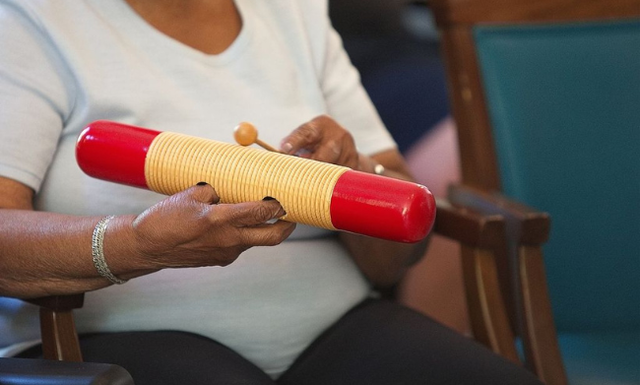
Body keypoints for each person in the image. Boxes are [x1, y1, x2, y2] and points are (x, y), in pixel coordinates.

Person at [0, 1, 542, 384]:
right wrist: (136, 244)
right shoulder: (31, 20)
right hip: (130, 338)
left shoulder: (294, 12)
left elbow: (393, 259)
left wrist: (352, 175)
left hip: (338, 328)